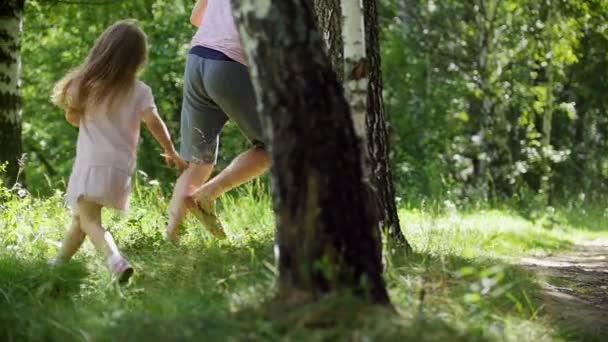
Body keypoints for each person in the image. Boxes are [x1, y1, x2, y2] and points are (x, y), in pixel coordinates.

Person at [50, 20, 186, 283]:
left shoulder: (86, 84)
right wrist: (170, 151)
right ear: (137, 58)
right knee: (81, 220)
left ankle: (115, 261)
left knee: (90, 221)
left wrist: (89, 119)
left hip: (92, 164)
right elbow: (154, 123)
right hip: (120, 168)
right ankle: (56, 266)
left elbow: (72, 117)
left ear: (103, 50)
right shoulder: (140, 91)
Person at [165, 0, 270, 243]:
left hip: (197, 60)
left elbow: (196, 17)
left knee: (198, 163)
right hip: (229, 64)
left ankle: (171, 239)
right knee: (274, 146)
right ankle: (207, 195)